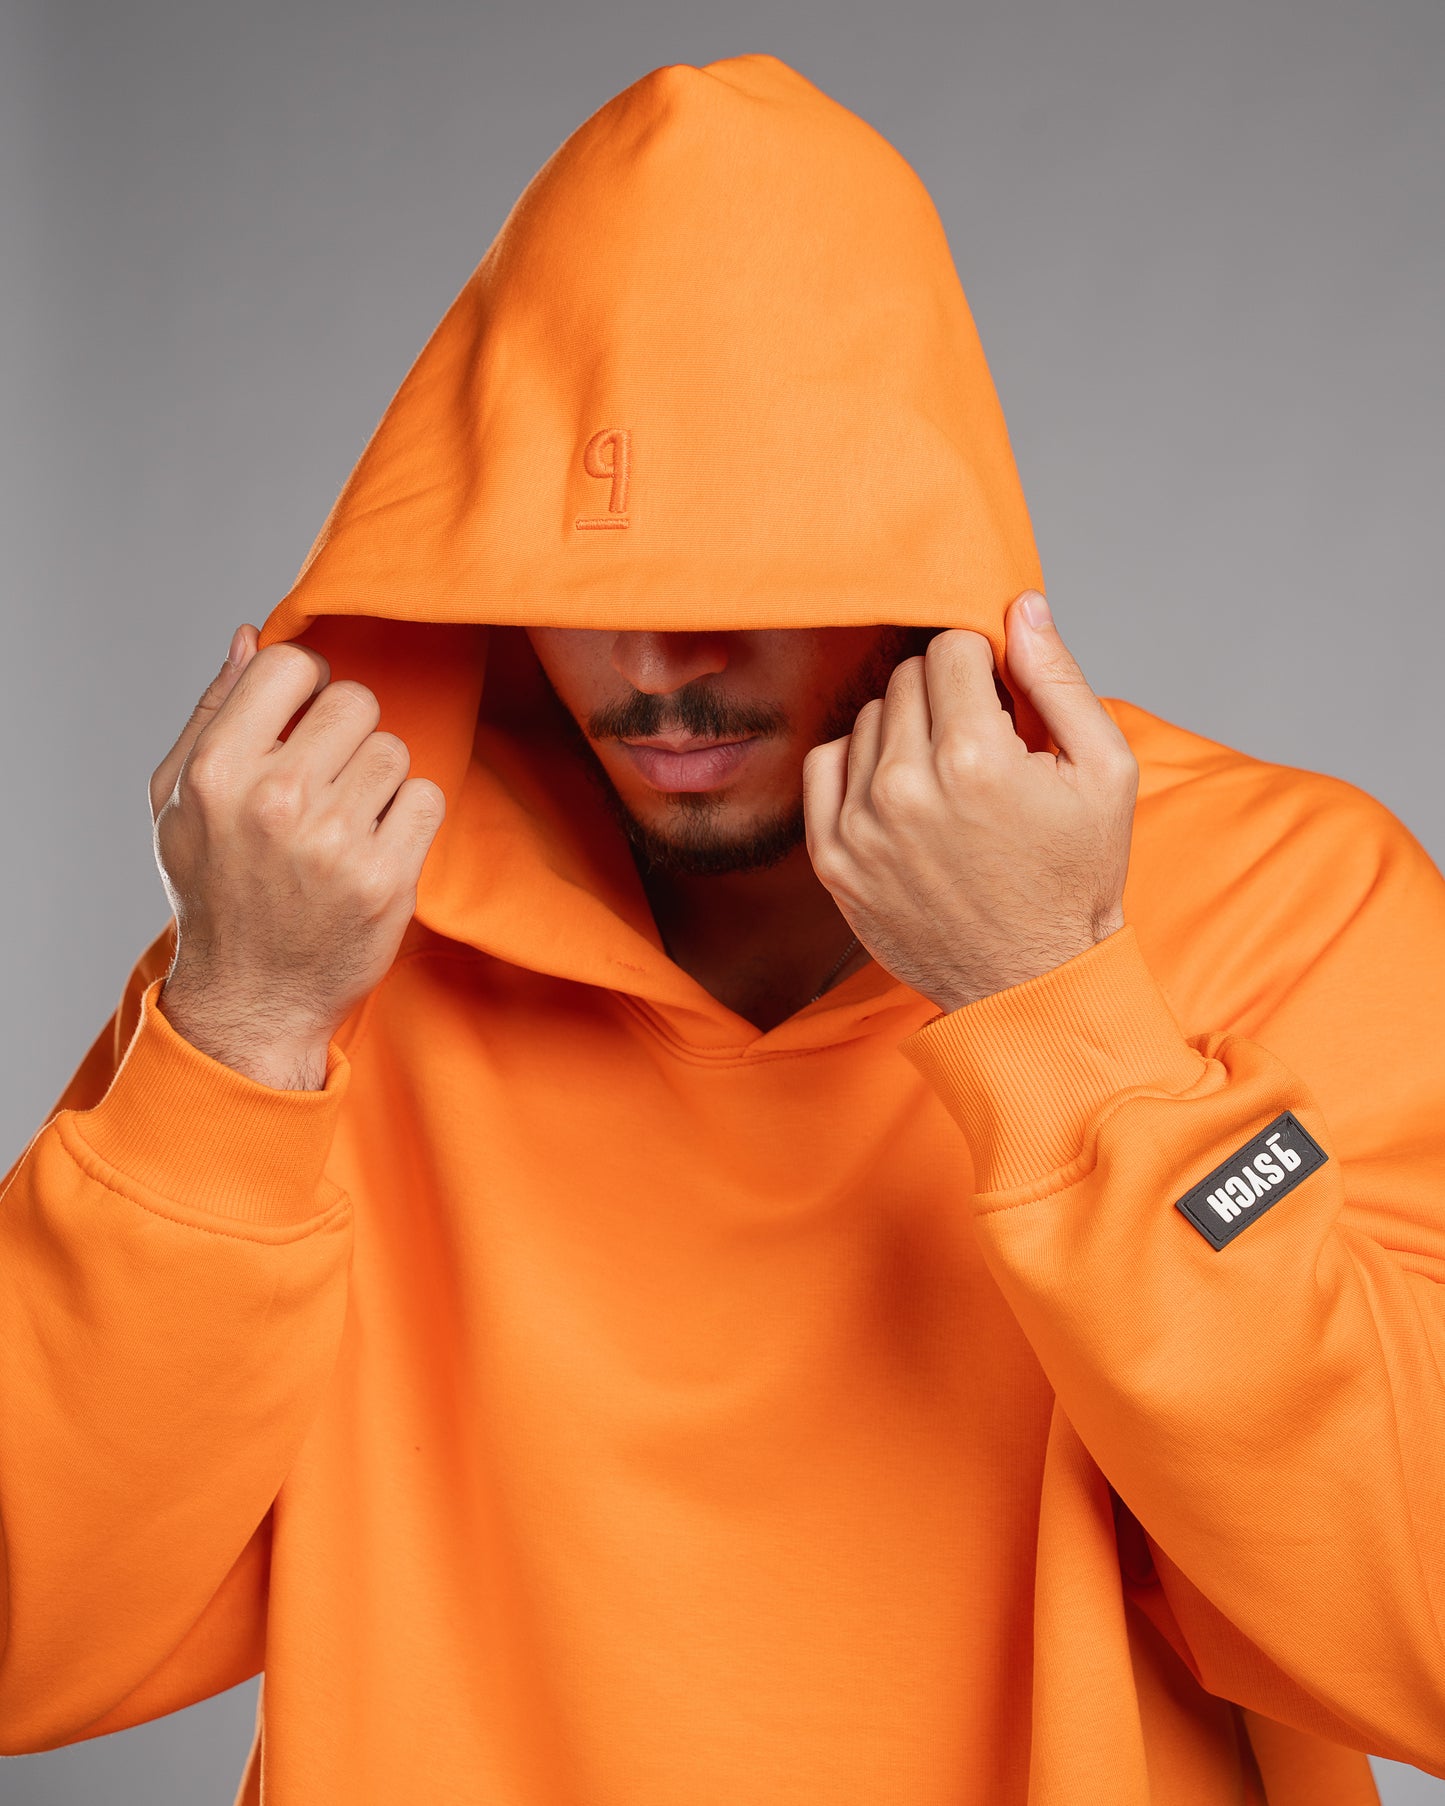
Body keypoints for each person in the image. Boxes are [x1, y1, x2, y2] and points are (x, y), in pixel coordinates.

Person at [1, 50, 1442, 1806]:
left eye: (756, 569)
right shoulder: (315, 955)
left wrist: (1056, 1008)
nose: (661, 662)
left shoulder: (1283, 898)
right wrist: (234, 1032)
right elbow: (29, 1628)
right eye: (581, 580)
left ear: (918, 549)